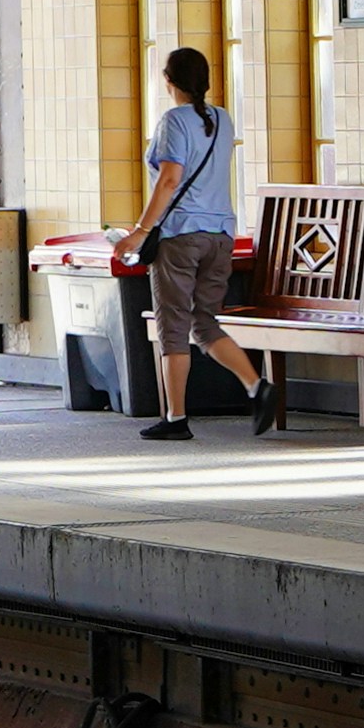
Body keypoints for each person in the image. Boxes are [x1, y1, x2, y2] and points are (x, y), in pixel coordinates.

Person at [117, 45, 253, 440]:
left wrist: (140, 231)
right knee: (205, 322)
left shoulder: (173, 121)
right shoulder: (223, 119)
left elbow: (170, 179)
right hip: (221, 236)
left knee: (173, 327)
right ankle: (255, 385)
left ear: (168, 81)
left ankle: (176, 418)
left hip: (181, 237)